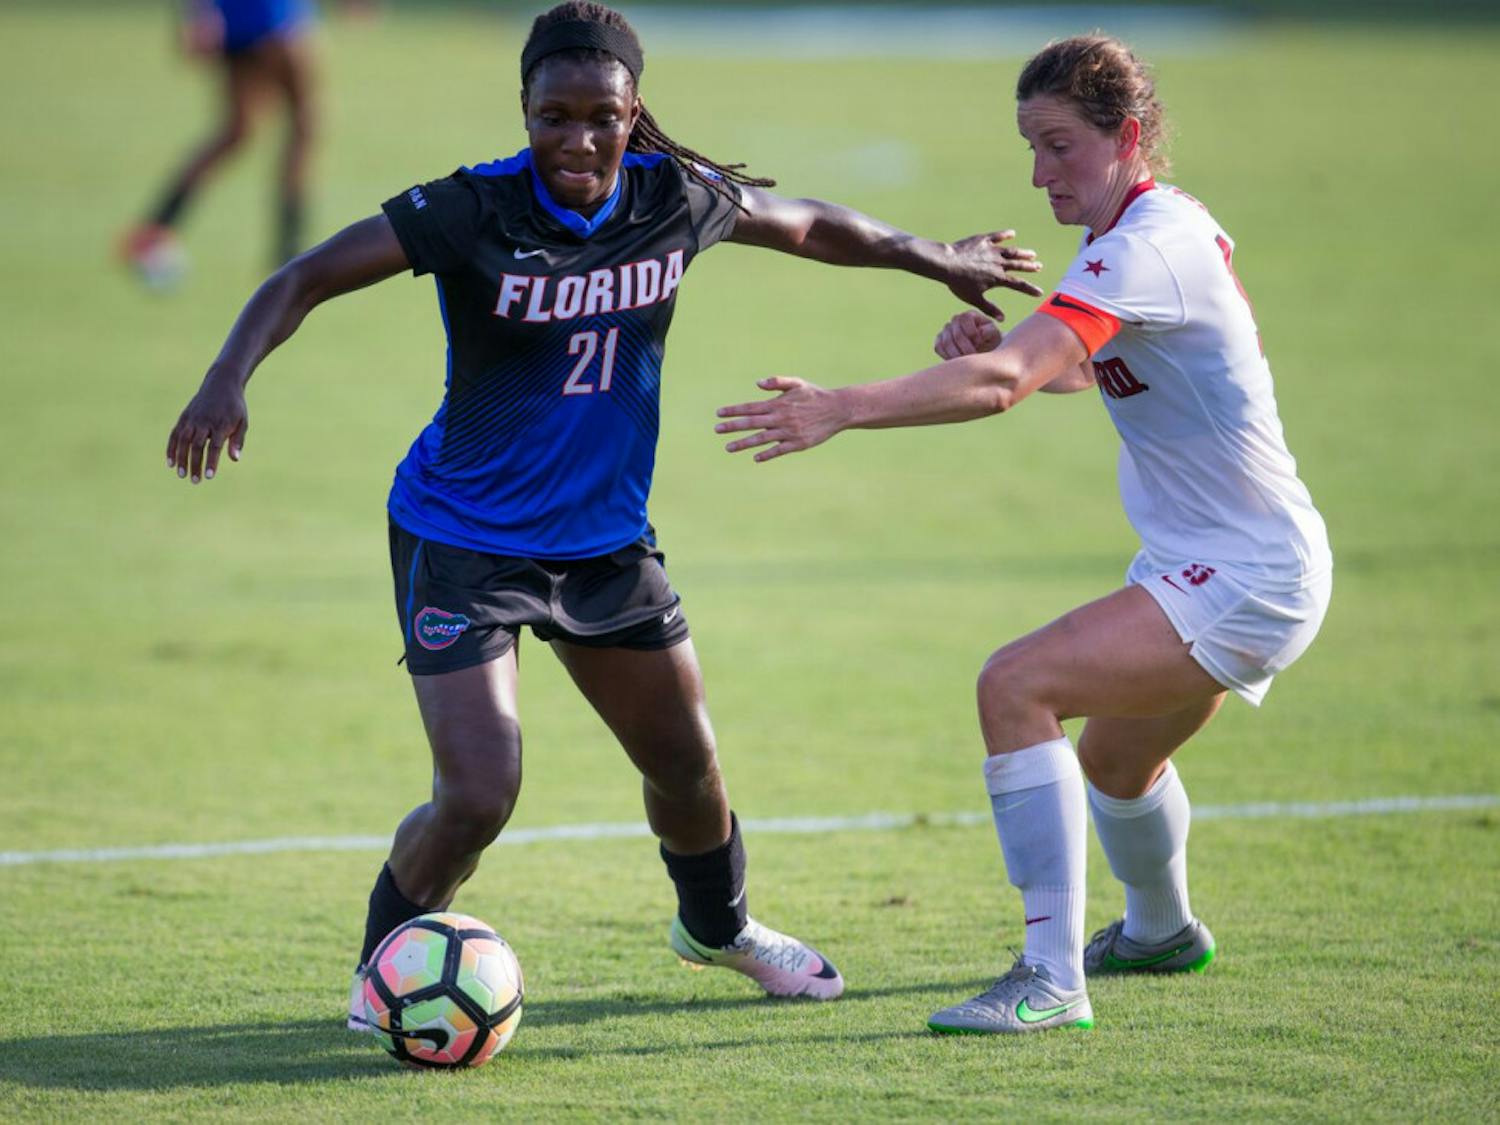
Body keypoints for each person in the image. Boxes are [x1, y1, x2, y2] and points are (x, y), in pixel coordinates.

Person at [164, 1, 1047, 1020]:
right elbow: (306, 275)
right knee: (479, 796)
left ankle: (718, 929)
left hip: (602, 545)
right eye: (554, 116)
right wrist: (227, 377)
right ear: (526, 111)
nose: (576, 140)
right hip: (462, 538)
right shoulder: (471, 209)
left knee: (687, 765)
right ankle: (381, 984)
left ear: (634, 115)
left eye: (601, 117)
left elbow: (804, 223)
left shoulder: (672, 197)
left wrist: (932, 253)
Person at [715, 34, 1332, 1034]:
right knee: (1115, 769)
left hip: (1244, 576)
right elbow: (1082, 368)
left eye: (1058, 146)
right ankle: (1161, 932)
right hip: (1243, 565)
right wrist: (1010, 347)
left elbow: (1004, 389)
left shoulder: (1143, 244)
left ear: (1126, 137)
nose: (1041, 173)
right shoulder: (1140, 233)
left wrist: (842, 406)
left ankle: (1049, 979)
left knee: (1016, 685)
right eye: (1029, 148)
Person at [122, 0, 317, 287]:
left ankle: (157, 226)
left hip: (235, 20)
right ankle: (291, 251)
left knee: (237, 132)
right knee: (305, 125)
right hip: (273, 18)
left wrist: (200, 12)